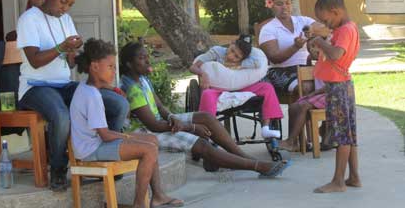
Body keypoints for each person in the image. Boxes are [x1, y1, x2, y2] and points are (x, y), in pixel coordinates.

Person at [16, 0, 129, 191]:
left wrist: (73, 54)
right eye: (63, 1)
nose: (65, 8)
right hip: (35, 86)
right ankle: (58, 169)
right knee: (60, 115)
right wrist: (61, 47)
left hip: (64, 85)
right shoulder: (29, 19)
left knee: (118, 104)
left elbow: (70, 65)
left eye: (70, 4)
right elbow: (35, 61)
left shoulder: (65, 20)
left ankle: (103, 160)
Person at [120, 42, 290, 177]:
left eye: (147, 56)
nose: (148, 61)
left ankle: (241, 157)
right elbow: (154, 126)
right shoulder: (132, 89)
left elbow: (159, 107)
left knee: (206, 118)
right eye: (142, 58)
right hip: (145, 134)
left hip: (159, 123)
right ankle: (256, 166)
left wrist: (172, 116)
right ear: (129, 63)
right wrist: (191, 128)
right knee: (201, 144)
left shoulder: (142, 79)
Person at [70, 38, 183, 208]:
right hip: (90, 150)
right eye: (110, 67)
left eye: (114, 67)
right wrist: (127, 137)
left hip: (95, 143)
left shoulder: (89, 88)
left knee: (151, 139)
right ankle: (139, 204)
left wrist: (130, 138)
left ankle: (158, 196)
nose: (114, 71)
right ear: (94, 67)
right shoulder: (91, 96)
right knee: (149, 148)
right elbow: (106, 135)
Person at [310, 0, 361, 193]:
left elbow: (336, 53)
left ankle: (338, 181)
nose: (326, 24)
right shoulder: (344, 28)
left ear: (335, 11)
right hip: (340, 85)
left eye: (326, 20)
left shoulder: (346, 30)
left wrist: (318, 40)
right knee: (348, 134)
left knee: (342, 136)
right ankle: (354, 177)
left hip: (339, 87)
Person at [189, 35, 284, 138]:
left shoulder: (245, 62)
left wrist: (239, 63)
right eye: (232, 50)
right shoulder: (216, 52)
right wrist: (203, 74)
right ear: (231, 43)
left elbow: (258, 63)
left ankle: (266, 128)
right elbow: (193, 67)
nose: (231, 56)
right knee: (207, 94)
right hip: (218, 88)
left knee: (267, 87)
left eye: (236, 57)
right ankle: (207, 129)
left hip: (240, 87)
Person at [259, 0, 316, 94]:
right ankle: (300, 110)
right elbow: (274, 57)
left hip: (306, 68)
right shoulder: (268, 29)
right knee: (306, 87)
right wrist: (295, 47)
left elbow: (325, 29)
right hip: (281, 71)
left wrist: (312, 29)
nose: (284, 7)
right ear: (271, 4)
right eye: (279, 4)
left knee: (330, 83)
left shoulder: (303, 21)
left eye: (287, 3)